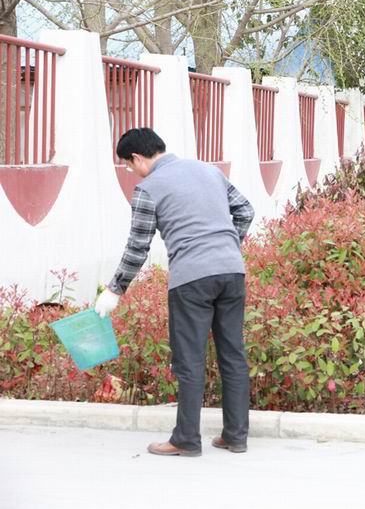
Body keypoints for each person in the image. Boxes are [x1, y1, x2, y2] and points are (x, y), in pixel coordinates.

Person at [94, 128, 255, 457]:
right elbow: (245, 210)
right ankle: (236, 436)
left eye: (128, 166)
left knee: (189, 361)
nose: (131, 172)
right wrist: (227, 245)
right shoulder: (209, 171)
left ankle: (186, 439)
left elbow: (138, 246)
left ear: (137, 158)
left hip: (191, 279)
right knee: (233, 355)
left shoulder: (148, 188)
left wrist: (114, 289)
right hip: (231, 272)